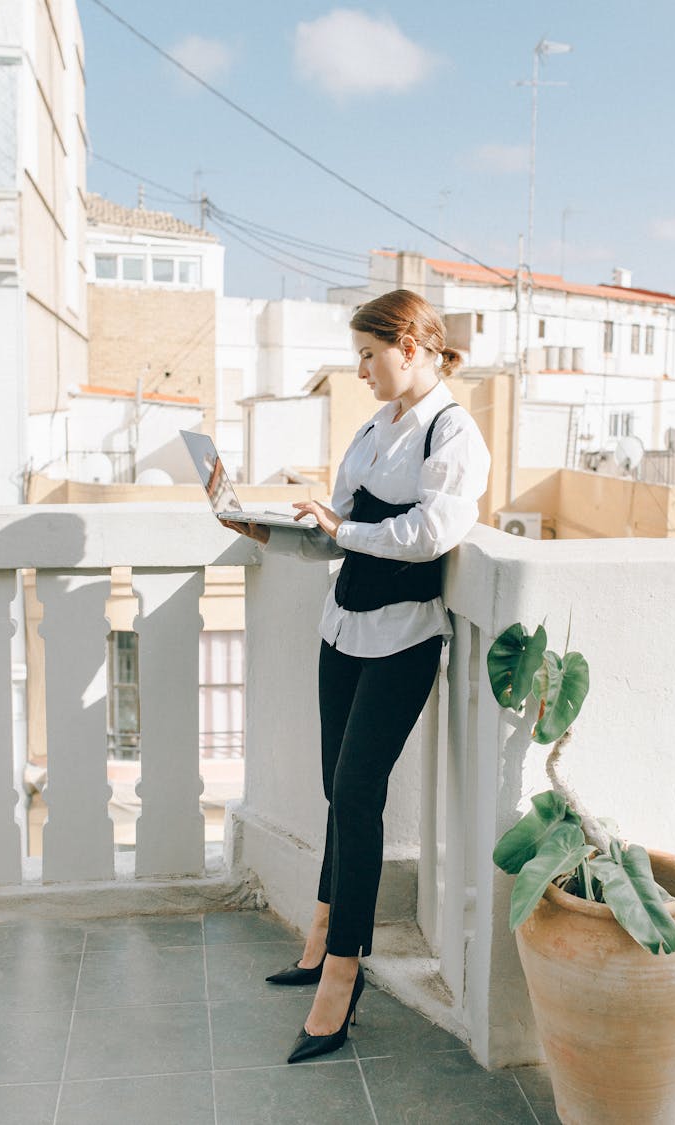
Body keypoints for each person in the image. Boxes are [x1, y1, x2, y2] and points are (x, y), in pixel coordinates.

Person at [222, 288, 491, 1064]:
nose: (362, 369)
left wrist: (348, 526)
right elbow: (341, 534)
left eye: (370, 354)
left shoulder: (454, 432)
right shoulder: (374, 428)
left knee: (361, 791)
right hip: (341, 629)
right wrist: (269, 530)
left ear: (412, 344)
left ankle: (343, 973)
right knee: (338, 787)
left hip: (404, 639)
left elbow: (433, 530)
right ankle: (317, 940)